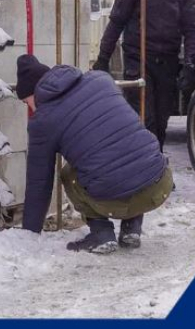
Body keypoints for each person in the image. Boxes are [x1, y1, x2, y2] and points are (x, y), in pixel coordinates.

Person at [17, 54, 173, 254]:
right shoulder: (101, 80)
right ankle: (131, 228)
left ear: (32, 93)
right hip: (159, 184)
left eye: (25, 102)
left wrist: (30, 233)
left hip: (113, 198)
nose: (29, 107)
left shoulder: (43, 121)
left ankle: (101, 233)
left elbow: (40, 182)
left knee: (69, 173)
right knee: (127, 150)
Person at [93, 0, 195, 150]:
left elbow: (192, 31)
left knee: (161, 119)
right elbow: (116, 23)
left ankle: (155, 158)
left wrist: (190, 64)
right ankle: (144, 161)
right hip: (138, 60)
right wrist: (103, 58)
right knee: (144, 117)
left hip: (167, 62)